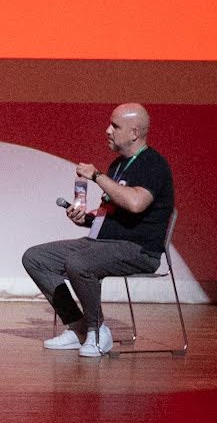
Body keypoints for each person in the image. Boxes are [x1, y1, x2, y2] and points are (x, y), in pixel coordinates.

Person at [23, 102, 176, 357]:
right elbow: (112, 212)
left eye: (115, 126)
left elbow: (136, 203)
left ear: (134, 133)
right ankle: (78, 327)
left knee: (79, 262)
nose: (107, 130)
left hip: (138, 250)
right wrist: (85, 218)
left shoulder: (153, 164)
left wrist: (97, 176)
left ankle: (97, 331)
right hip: (101, 243)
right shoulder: (119, 165)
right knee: (36, 258)